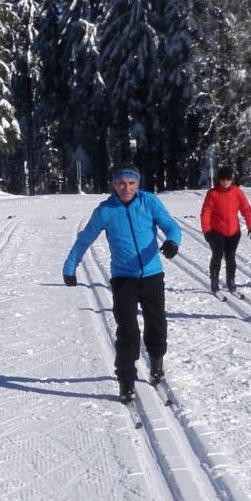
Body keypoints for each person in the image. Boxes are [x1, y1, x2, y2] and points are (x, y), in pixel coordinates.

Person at [62, 164, 183, 403]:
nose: (126, 187)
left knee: (156, 324)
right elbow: (85, 238)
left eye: (131, 183)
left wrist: (172, 242)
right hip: (123, 278)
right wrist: (70, 266)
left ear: (138, 184)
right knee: (127, 330)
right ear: (114, 185)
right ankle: (126, 380)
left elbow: (171, 225)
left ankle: (157, 359)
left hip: (152, 275)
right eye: (121, 183)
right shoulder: (106, 210)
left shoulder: (148, 202)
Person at [198, 165, 251, 294]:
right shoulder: (213, 194)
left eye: (228, 179)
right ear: (219, 180)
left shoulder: (237, 192)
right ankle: (214, 280)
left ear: (232, 180)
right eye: (223, 179)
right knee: (217, 255)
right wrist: (206, 230)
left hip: (233, 232)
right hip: (216, 231)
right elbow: (206, 212)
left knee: (230, 257)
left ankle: (231, 280)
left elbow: (246, 209)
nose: (225, 182)